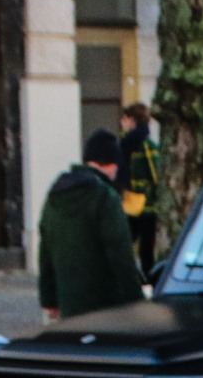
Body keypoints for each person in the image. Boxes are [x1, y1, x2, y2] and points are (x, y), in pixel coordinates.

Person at [39, 128, 146, 322]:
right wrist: (136, 301)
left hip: (69, 306)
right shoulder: (105, 196)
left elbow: (45, 251)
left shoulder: (55, 194)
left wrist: (49, 299)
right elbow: (120, 254)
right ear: (111, 163)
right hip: (106, 306)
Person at [118, 103, 163, 281]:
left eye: (124, 119)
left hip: (146, 205)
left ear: (132, 120)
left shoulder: (146, 145)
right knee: (124, 243)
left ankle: (149, 280)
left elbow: (156, 175)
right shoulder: (125, 144)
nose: (122, 123)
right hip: (129, 202)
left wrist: (149, 193)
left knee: (145, 250)